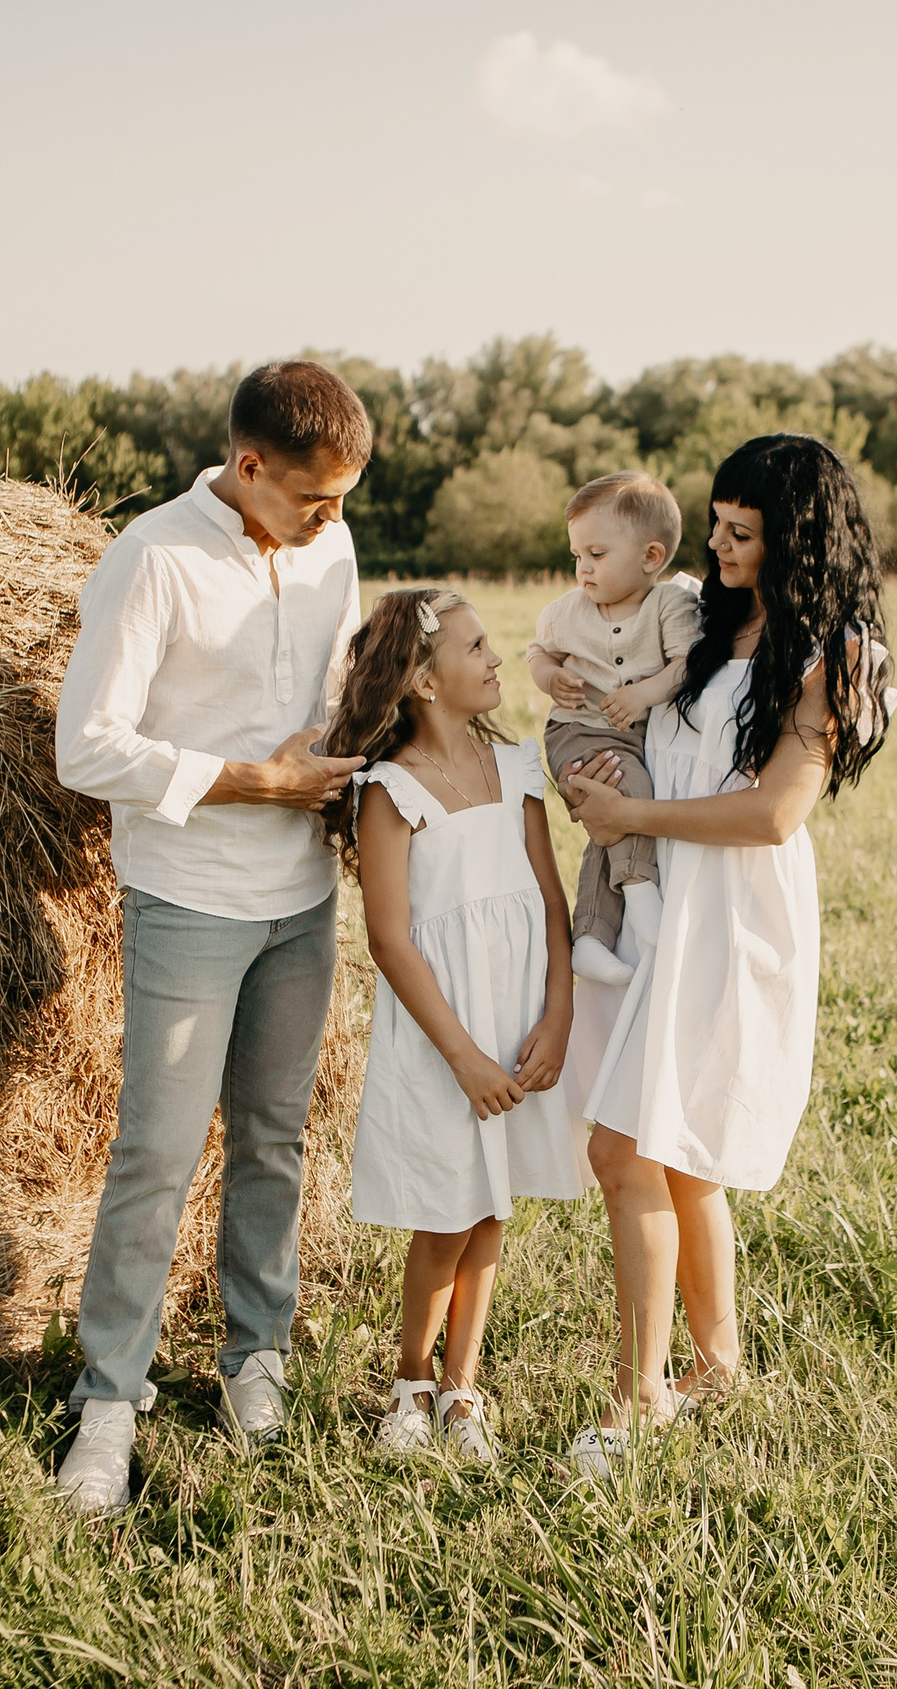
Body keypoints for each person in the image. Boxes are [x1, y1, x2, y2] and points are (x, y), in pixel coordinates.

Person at [48, 361, 373, 1517]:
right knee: (156, 1153)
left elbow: (334, 686)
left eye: (344, 500)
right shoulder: (153, 558)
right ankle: (108, 1400)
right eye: (312, 499)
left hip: (302, 897)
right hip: (189, 893)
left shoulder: (330, 548)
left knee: (276, 1138)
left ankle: (255, 1357)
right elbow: (84, 747)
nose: (332, 522)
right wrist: (246, 781)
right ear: (247, 469)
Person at [557, 434, 895, 1478]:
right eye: (715, 525)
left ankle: (636, 1399)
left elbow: (772, 813)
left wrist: (631, 810)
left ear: (797, 539)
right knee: (675, 1152)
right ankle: (715, 1365)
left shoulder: (833, 655)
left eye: (742, 533)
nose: (718, 546)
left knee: (629, 1149)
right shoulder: (704, 623)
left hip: (735, 921)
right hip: (661, 908)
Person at [320, 589, 581, 1464]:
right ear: (426, 680)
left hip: (514, 1020)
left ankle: (465, 1385)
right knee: (447, 1212)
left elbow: (551, 899)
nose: (498, 659)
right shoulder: (390, 791)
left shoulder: (516, 771)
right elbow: (390, 940)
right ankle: (412, 1379)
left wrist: (558, 1011)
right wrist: (464, 1056)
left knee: (493, 1208)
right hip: (446, 1034)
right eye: (477, 648)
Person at [523, 472, 701, 987]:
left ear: (650, 557)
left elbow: (688, 662)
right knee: (629, 787)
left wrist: (645, 693)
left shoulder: (667, 604)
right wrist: (550, 678)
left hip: (630, 735)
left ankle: (592, 938)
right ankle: (643, 894)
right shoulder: (569, 611)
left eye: (596, 555)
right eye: (577, 556)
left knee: (607, 833)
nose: (582, 569)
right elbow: (538, 652)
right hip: (575, 732)